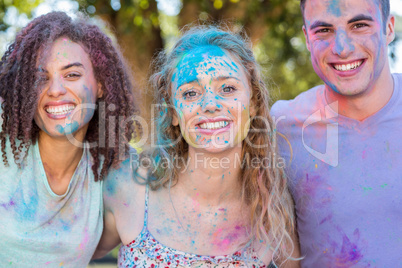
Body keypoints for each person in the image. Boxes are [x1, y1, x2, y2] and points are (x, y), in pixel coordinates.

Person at [95, 26, 300, 267]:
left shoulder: (272, 206)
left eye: (228, 88)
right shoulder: (127, 187)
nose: (210, 104)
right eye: (191, 93)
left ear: (253, 102)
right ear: (172, 112)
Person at [271, 0, 402, 266]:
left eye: (360, 25)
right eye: (324, 31)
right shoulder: (281, 128)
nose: (342, 48)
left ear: (389, 28)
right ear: (307, 38)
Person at [0, 11, 137, 266]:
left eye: (72, 75)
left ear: (100, 85)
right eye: (41, 78)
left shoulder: (115, 170)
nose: (55, 90)